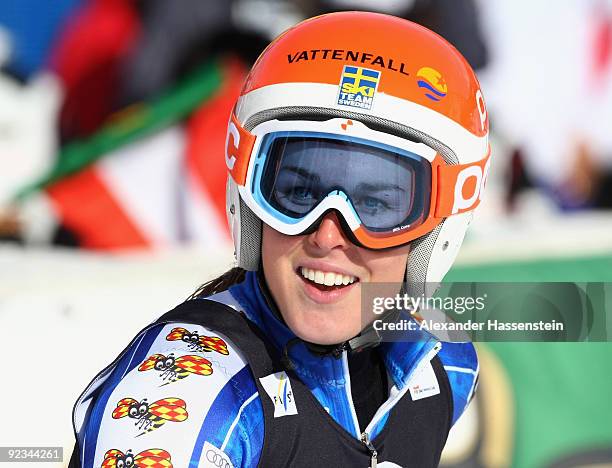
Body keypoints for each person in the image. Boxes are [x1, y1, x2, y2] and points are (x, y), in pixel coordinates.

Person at [69, 11, 489, 468]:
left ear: (440, 225)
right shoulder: (190, 398)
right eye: (297, 193)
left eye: (376, 206)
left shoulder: (443, 360)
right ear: (249, 203)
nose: (328, 235)